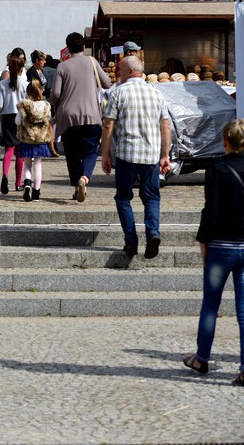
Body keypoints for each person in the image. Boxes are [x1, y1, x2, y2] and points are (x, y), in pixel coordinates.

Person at [183, 119, 244, 386]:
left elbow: (211, 210)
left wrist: (203, 243)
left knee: (210, 304)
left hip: (220, 244)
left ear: (224, 142)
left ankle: (202, 358)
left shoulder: (216, 170)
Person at [101, 56, 170, 258]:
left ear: (130, 71)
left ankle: (131, 241)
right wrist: (164, 155)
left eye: (120, 70)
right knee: (151, 197)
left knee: (123, 198)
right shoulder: (156, 93)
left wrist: (105, 154)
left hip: (126, 154)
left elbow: (108, 125)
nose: (117, 74)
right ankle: (153, 233)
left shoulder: (118, 93)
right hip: (150, 155)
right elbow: (165, 126)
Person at [51, 32, 111, 203]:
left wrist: (59, 101)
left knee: (72, 153)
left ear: (68, 48)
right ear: (83, 47)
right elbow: (106, 83)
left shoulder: (62, 67)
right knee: (90, 150)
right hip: (91, 115)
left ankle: (77, 188)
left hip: (69, 116)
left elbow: (55, 93)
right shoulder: (92, 62)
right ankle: (84, 178)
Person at [0, 55, 26, 194]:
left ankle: (5, 176)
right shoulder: (25, 84)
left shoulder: (2, 84)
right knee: (20, 153)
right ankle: (18, 183)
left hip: (7, 118)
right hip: (21, 118)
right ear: (21, 69)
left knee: (8, 150)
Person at [15, 80, 51, 202]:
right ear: (41, 90)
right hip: (40, 139)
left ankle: (27, 183)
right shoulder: (46, 106)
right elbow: (49, 119)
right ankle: (36, 192)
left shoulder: (23, 105)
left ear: (28, 92)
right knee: (38, 164)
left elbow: (17, 122)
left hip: (27, 139)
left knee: (27, 164)